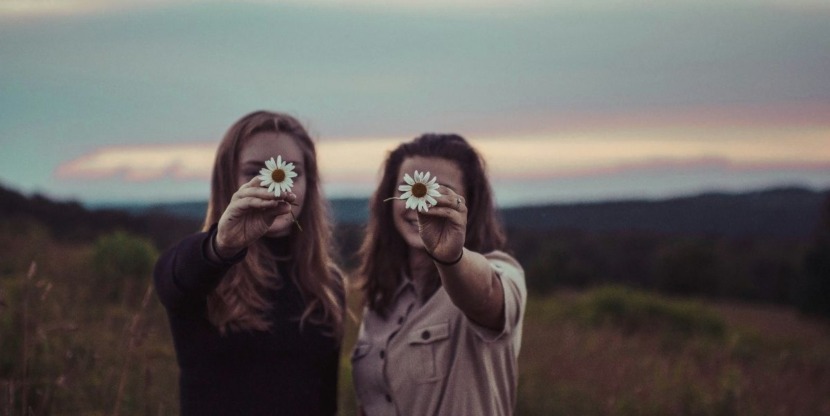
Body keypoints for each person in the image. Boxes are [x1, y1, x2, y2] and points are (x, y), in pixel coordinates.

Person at [153, 110, 344, 416]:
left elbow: (326, 399)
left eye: (291, 172)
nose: (276, 186)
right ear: (227, 180)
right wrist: (221, 246)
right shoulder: (205, 267)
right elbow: (173, 278)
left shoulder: (327, 283)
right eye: (255, 171)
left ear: (311, 184)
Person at [351, 134, 527, 415]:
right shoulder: (382, 296)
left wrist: (451, 258)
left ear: (470, 203)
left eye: (441, 192)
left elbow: (486, 297)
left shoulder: (500, 271)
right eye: (411, 189)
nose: (420, 204)